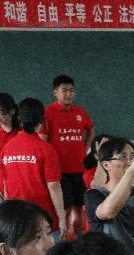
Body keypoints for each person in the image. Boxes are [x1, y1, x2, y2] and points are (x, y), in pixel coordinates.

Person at [0, 97, 67, 236]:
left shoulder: (7, 147)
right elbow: (54, 186)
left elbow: (6, 185)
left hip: (16, 219)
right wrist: (62, 218)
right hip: (43, 219)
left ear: (19, 119)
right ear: (42, 120)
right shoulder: (46, 149)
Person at [42, 75, 94, 235]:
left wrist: (85, 148)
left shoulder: (80, 112)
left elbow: (90, 130)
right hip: (60, 171)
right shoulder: (48, 112)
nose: (68, 94)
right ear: (55, 92)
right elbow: (43, 139)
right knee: (66, 208)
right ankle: (62, 239)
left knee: (79, 206)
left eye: (71, 91)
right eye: (64, 91)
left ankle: (79, 237)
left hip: (79, 168)